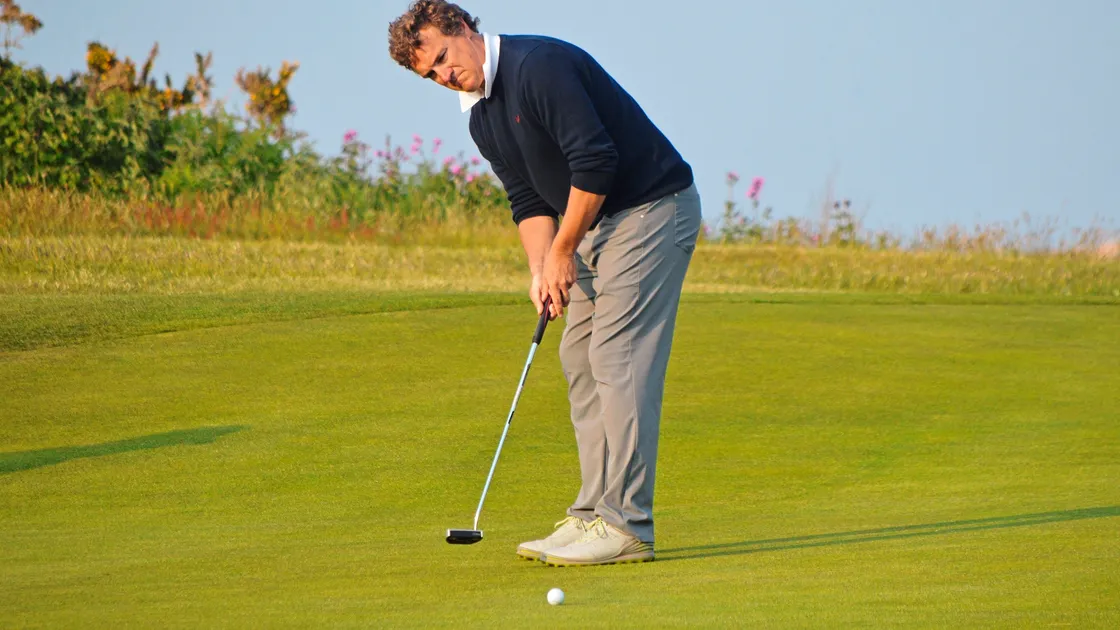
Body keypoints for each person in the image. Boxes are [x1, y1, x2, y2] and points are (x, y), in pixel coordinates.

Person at [389, 0, 701, 567]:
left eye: (442, 59)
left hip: (651, 209)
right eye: (429, 75)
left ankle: (627, 525)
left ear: (462, 28)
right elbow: (528, 198)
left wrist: (563, 250)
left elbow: (596, 164)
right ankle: (590, 517)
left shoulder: (539, 66)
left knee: (616, 354)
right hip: (594, 224)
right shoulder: (480, 114)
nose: (444, 76)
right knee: (578, 356)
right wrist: (542, 269)